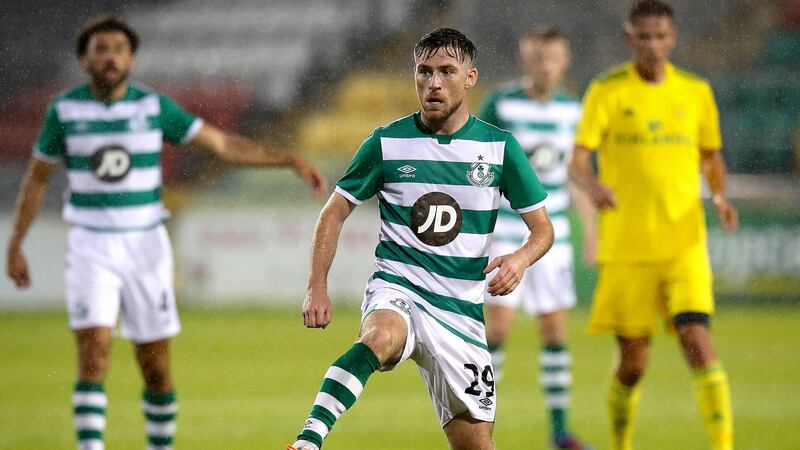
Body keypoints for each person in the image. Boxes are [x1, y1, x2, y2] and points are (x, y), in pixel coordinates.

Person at [5, 14, 327, 450]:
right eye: (101, 49)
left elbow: (222, 145)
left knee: (154, 363)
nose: (111, 57)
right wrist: (16, 244)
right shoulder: (65, 111)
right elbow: (37, 178)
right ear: (84, 59)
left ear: (132, 57)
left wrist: (287, 159)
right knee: (94, 349)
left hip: (146, 245)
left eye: (120, 49)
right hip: (89, 244)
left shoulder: (153, 107)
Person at [289, 28, 554, 450]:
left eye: (447, 71)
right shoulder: (386, 143)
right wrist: (316, 285)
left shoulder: (499, 148)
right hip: (399, 287)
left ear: (470, 77)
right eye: (424, 71)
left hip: (461, 311)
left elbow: (543, 229)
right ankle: (308, 440)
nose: (433, 83)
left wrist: (520, 258)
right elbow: (334, 211)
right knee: (379, 337)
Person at [567, 1, 738, 449]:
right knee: (634, 364)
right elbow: (578, 160)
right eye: (644, 36)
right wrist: (594, 185)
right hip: (627, 247)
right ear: (629, 39)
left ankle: (724, 445)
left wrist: (719, 196)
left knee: (696, 339)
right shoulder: (607, 90)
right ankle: (621, 444)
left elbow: (710, 155)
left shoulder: (696, 91)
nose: (653, 45)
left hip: (684, 243)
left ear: (673, 38)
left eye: (661, 36)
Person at [478, 28, 594, 450]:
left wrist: (591, 233)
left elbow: (576, 175)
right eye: (538, 58)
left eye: (554, 59)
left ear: (565, 63)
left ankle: (560, 432)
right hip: (505, 232)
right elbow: (476, 162)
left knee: (554, 331)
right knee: (498, 330)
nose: (546, 66)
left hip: (552, 235)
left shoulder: (574, 111)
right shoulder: (501, 104)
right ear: (526, 61)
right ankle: (479, 423)